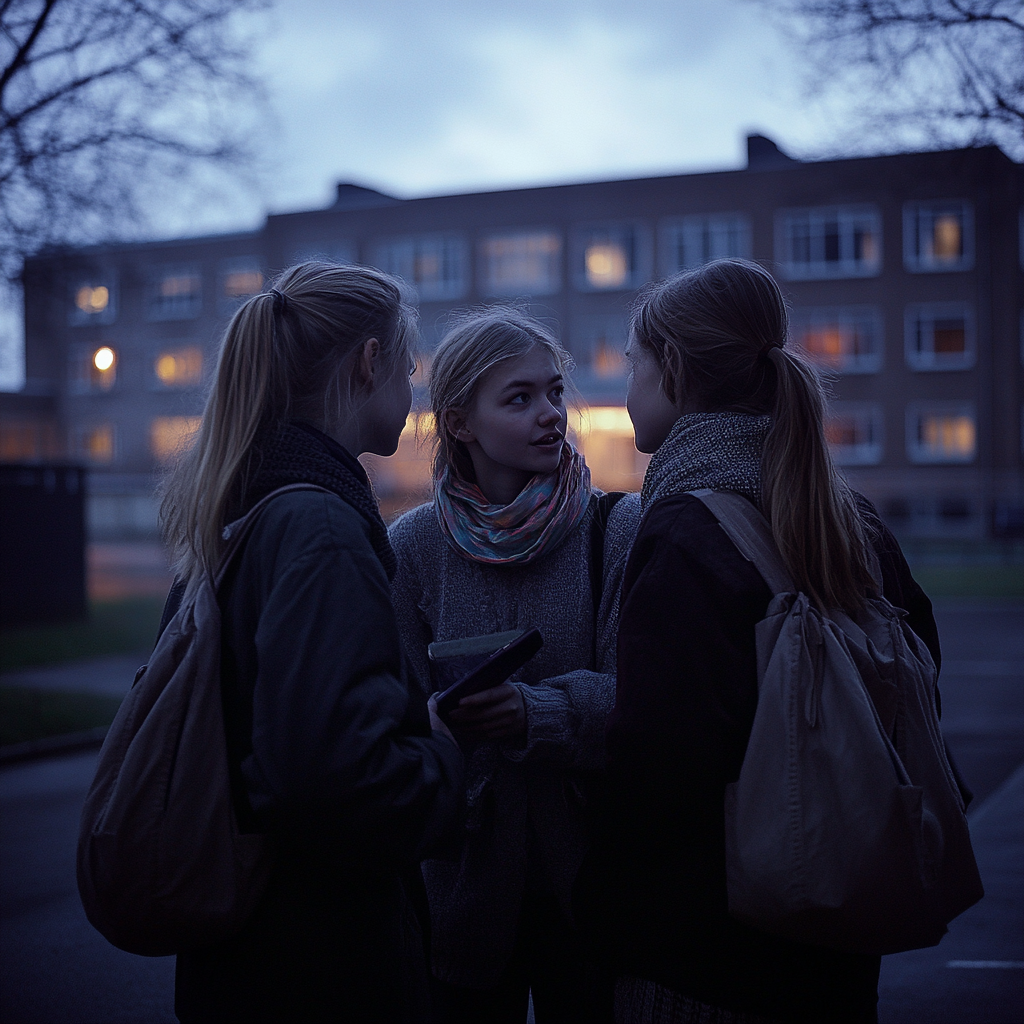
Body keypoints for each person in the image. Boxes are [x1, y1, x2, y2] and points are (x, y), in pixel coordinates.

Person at [573, 259, 943, 1024]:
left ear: (672, 368)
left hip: (704, 955)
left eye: (634, 363)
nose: (629, 384)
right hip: (836, 928)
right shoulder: (850, 517)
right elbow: (921, 683)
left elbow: (661, 763)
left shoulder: (685, 529)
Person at [159, 262, 464, 1024]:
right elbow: (333, 780)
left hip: (247, 955)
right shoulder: (320, 527)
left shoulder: (243, 505)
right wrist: (443, 754)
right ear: (368, 363)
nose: (412, 389)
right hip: (320, 963)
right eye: (408, 366)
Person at [388, 308, 640, 1024]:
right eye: (520, 398)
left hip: (589, 885)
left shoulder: (615, 529)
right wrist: (443, 721)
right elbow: (393, 716)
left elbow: (646, 700)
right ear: (461, 423)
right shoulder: (412, 548)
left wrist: (541, 713)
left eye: (554, 392)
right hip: (460, 886)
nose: (550, 414)